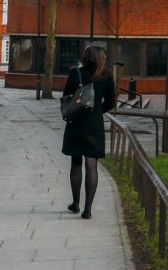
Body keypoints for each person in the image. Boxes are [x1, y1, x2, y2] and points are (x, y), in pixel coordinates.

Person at [62, 43, 116, 219]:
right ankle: (88, 209)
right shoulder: (106, 75)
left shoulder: (75, 73)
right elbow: (111, 102)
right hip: (94, 125)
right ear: (101, 58)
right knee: (91, 164)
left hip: (75, 123)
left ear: (86, 57)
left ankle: (75, 203)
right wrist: (97, 110)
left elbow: (66, 97)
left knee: (76, 162)